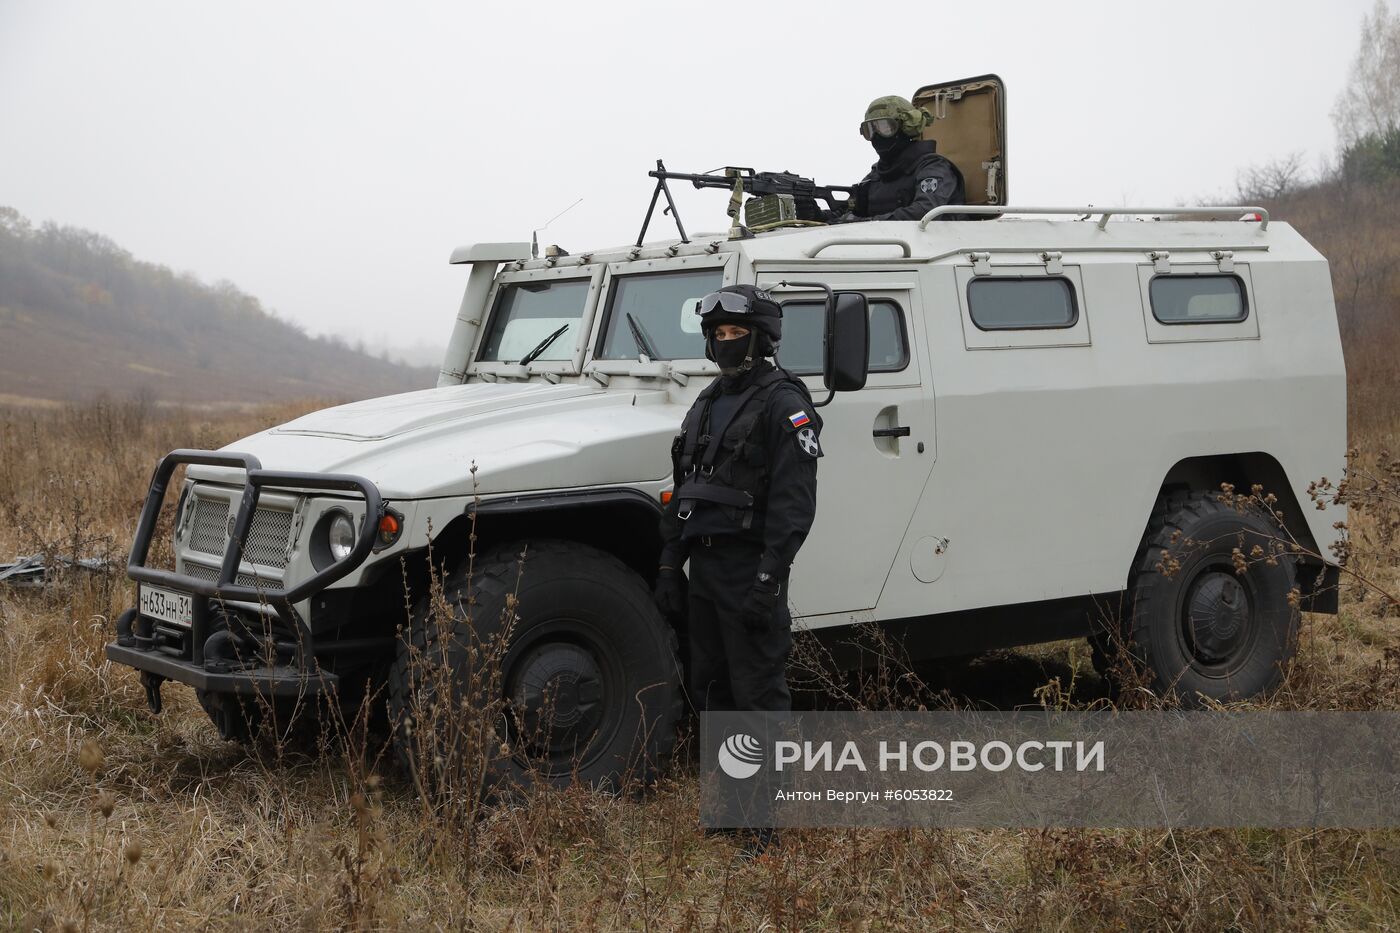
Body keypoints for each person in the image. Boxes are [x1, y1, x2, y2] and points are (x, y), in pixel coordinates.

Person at [652, 283, 823, 857]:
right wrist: (671, 566)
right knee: (714, 691)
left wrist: (769, 580)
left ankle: (763, 824)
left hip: (752, 571)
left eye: (735, 334)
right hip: (705, 567)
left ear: (761, 338)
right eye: (718, 335)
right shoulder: (707, 402)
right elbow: (683, 488)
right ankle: (729, 808)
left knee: (756, 694)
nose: (726, 344)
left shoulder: (785, 404)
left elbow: (794, 505)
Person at [826, 95, 966, 223]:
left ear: (906, 127)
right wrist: (815, 214)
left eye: (884, 127)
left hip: (938, 247)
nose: (876, 136)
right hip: (891, 247)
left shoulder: (934, 168)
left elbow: (924, 213)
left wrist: (865, 223)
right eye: (870, 130)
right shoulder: (877, 175)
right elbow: (847, 214)